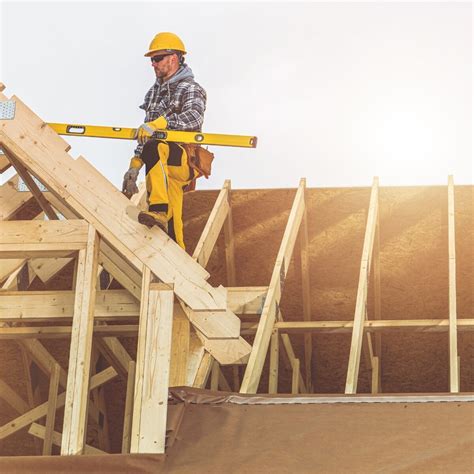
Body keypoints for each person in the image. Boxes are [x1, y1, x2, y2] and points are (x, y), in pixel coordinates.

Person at [122, 32, 208, 250]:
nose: (153, 64)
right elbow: (146, 134)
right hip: (160, 165)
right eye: (152, 59)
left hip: (183, 160)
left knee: (156, 145)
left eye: (158, 58)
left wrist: (160, 124)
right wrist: (135, 166)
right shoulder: (153, 94)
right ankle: (181, 266)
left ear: (174, 58)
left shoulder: (191, 88)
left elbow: (194, 118)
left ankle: (158, 208)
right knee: (172, 227)